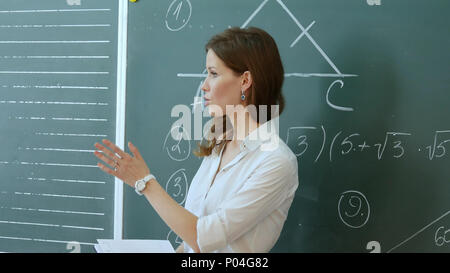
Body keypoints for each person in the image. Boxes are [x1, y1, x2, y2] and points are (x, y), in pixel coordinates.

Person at [93, 26, 299, 253]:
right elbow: (194, 241)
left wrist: (144, 182)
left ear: (245, 81)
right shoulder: (220, 144)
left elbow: (204, 237)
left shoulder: (275, 161)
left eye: (213, 73)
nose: (204, 85)